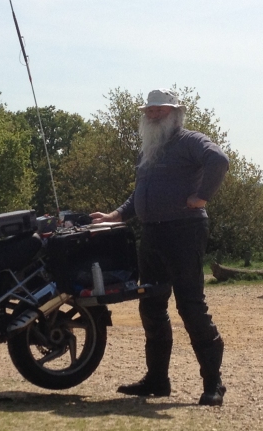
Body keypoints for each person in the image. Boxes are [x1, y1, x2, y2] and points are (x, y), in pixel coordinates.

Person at [90, 88, 229, 406]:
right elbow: (140, 192)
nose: (153, 115)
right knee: (151, 306)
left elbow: (219, 160)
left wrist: (203, 196)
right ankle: (157, 380)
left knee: (190, 305)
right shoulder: (148, 149)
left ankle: (214, 383)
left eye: (160, 111)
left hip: (185, 230)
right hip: (152, 233)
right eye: (150, 111)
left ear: (175, 113)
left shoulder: (191, 141)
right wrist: (116, 215)